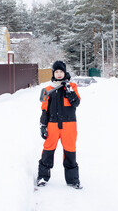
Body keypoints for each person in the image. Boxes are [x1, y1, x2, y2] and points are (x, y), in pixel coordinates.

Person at [36, 60, 82, 189]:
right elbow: (44, 109)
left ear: (65, 72)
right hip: (53, 125)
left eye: (61, 71)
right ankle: (42, 177)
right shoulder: (48, 89)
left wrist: (69, 90)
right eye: (56, 72)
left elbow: (76, 103)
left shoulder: (72, 86)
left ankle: (73, 180)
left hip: (69, 125)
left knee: (70, 151)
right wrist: (43, 126)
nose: (59, 74)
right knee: (48, 150)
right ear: (53, 73)